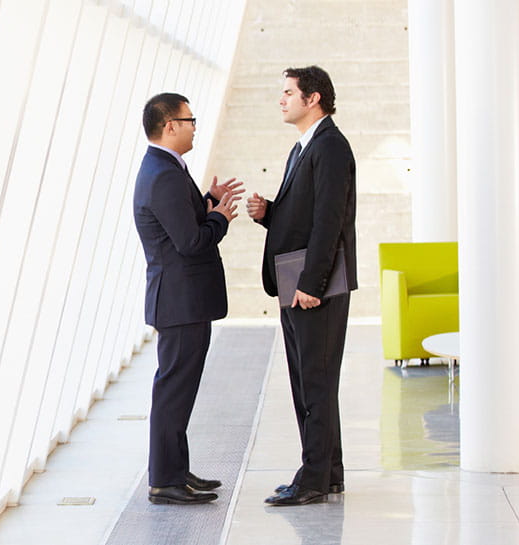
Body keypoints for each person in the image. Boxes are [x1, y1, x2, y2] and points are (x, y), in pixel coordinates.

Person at [246, 66, 358, 506]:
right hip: (296, 280)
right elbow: (306, 216)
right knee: (310, 380)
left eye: (288, 92)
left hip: (315, 286)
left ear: (313, 99)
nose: (282, 99)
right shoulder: (303, 148)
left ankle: (312, 479)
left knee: (315, 380)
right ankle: (327, 472)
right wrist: (269, 213)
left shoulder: (330, 146)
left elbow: (330, 220)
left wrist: (313, 283)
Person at [133, 92, 242, 505]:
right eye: (189, 119)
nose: (195, 125)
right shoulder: (162, 173)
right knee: (173, 389)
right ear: (170, 126)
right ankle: (165, 479)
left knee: (178, 388)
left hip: (183, 299)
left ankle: (176, 471)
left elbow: (182, 222)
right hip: (180, 301)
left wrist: (206, 202)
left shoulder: (168, 169)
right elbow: (191, 242)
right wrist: (219, 217)